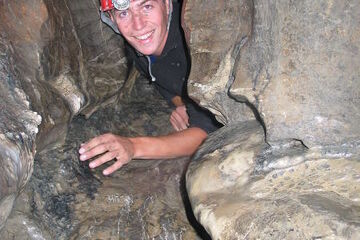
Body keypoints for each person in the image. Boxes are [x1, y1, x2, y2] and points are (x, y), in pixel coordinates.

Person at [79, 0, 221, 175]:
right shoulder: (137, 48)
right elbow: (161, 79)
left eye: (146, 6)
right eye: (123, 13)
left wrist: (133, 146)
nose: (138, 25)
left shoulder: (197, 42)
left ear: (167, 4)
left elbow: (209, 131)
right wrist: (182, 102)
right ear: (111, 19)